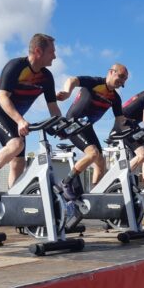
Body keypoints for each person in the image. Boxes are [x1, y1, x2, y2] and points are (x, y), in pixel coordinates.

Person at [0, 33, 63, 202]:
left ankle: (14, 202)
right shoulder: (15, 66)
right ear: (38, 51)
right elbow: (2, 98)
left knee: (19, 163)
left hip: (14, 118)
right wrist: (20, 120)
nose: (55, 56)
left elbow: (53, 107)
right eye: (52, 52)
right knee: (16, 144)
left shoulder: (46, 77)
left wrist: (64, 126)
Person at [56, 64, 129, 199]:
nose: (121, 82)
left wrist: (132, 131)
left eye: (124, 81)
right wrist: (66, 93)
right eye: (120, 77)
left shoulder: (115, 98)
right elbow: (72, 80)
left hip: (86, 128)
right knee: (93, 153)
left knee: (101, 163)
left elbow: (120, 120)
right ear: (111, 72)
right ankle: (65, 182)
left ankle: (95, 194)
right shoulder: (95, 83)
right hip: (73, 124)